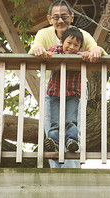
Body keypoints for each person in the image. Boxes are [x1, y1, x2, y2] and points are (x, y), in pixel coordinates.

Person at [28, 0, 106, 168]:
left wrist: (94, 51)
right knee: (52, 129)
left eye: (64, 16)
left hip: (76, 90)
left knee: (73, 128)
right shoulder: (44, 34)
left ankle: (72, 172)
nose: (60, 20)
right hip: (52, 89)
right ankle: (56, 173)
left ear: (72, 17)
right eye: (56, 17)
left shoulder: (82, 35)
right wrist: (38, 50)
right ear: (50, 19)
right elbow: (35, 48)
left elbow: (97, 49)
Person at [43, 26, 87, 154]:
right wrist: (48, 55)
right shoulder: (56, 50)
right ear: (61, 42)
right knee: (55, 121)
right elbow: (48, 53)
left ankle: (71, 141)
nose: (72, 47)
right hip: (55, 93)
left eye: (76, 45)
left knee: (71, 121)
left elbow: (88, 55)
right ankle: (53, 143)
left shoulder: (79, 55)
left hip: (72, 94)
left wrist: (86, 54)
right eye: (69, 43)